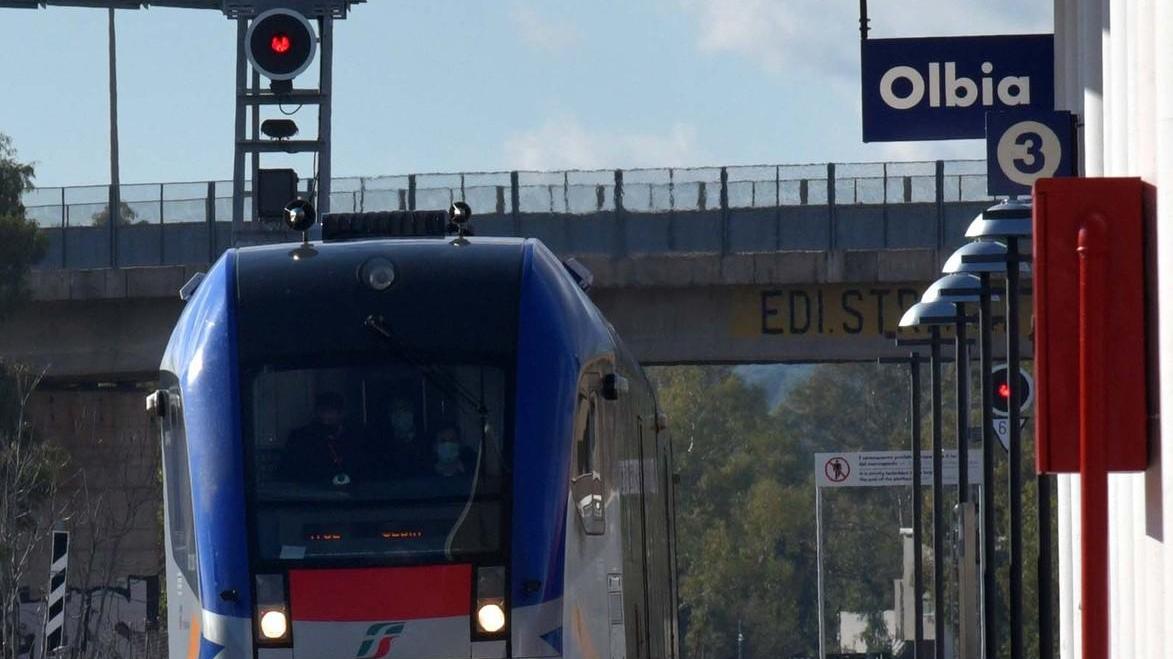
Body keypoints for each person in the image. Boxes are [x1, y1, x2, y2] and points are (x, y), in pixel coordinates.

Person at [279, 392, 365, 486]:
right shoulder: (299, 438)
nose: (326, 417)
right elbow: (287, 472)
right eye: (322, 411)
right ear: (316, 413)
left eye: (331, 411)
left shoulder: (356, 438)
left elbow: (365, 469)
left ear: (342, 413)